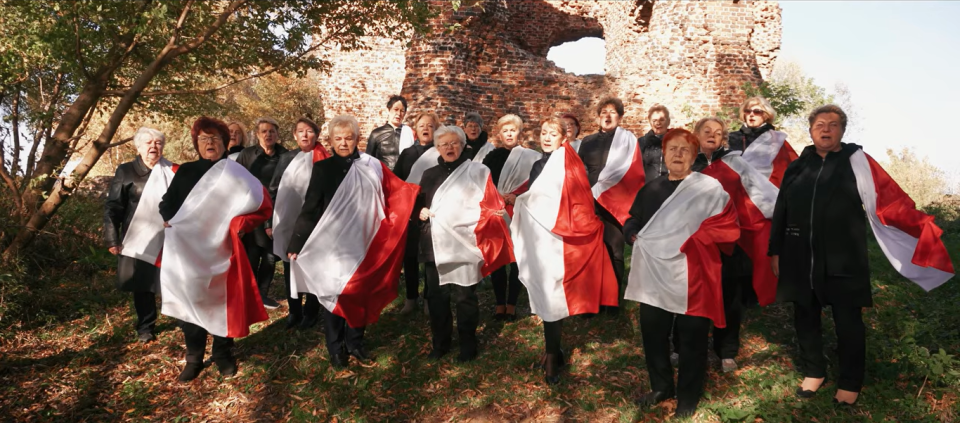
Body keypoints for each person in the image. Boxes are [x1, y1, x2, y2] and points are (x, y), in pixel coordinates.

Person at [769, 105, 954, 406]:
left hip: (845, 257)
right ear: (811, 129)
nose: (825, 129)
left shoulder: (858, 163)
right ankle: (814, 371)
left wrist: (920, 224)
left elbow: (889, 201)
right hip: (800, 255)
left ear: (842, 130)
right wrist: (775, 250)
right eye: (819, 124)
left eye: (832, 124)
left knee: (848, 322)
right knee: (804, 316)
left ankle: (850, 381)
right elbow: (782, 210)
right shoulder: (796, 166)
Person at [623, 128, 739, 417]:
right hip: (654, 272)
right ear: (663, 153)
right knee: (653, 332)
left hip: (693, 272)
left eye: (685, 149)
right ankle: (661, 386)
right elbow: (633, 219)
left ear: (694, 155)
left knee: (692, 337)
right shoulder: (651, 189)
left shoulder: (708, 188)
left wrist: (697, 240)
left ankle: (688, 396)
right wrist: (633, 233)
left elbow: (728, 224)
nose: (678, 154)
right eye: (672, 148)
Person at [287, 115, 419, 369]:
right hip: (332, 243)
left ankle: (355, 342)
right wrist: (296, 242)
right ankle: (336, 348)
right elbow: (311, 207)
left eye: (349, 137)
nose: (344, 142)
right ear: (331, 141)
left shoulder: (373, 166)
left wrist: (419, 202)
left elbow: (399, 191)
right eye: (338, 138)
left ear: (357, 139)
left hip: (364, 241)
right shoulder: (324, 169)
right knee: (334, 292)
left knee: (359, 292)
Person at [159, 117, 272, 382]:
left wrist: (241, 226)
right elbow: (167, 203)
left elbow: (260, 204)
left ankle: (223, 354)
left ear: (224, 143)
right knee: (191, 301)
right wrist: (169, 218)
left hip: (223, 250)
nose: (210, 143)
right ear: (196, 144)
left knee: (223, 302)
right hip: (188, 252)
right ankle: (194, 358)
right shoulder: (186, 172)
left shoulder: (235, 172)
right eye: (204, 139)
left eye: (215, 139)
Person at [511, 118, 618, 384]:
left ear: (563, 138)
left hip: (562, 239)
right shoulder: (538, 165)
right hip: (540, 236)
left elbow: (579, 199)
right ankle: (552, 351)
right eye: (544, 133)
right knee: (547, 293)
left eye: (553, 134)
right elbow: (534, 197)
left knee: (555, 293)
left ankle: (551, 355)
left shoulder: (572, 165)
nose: (547, 137)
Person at [417, 125, 513, 362]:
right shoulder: (429, 175)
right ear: (437, 148)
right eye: (444, 144)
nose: (449, 148)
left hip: (466, 243)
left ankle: (468, 344)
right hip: (435, 246)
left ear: (463, 145)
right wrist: (421, 211)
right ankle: (440, 343)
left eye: (454, 143)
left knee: (465, 297)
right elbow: (418, 205)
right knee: (437, 298)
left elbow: (490, 202)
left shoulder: (478, 171)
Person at [691, 117, 780, 373]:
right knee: (693, 295)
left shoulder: (735, 162)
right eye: (706, 131)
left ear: (723, 139)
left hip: (730, 242)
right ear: (696, 134)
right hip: (695, 241)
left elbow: (761, 191)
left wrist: (784, 215)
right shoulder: (686, 162)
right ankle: (684, 345)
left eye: (718, 133)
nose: (712, 135)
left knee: (730, 298)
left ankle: (726, 350)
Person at [103, 127, 176, 343]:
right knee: (143, 284)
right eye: (149, 143)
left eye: (158, 143)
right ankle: (146, 327)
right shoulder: (125, 171)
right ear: (138, 147)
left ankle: (182, 318)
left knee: (172, 280)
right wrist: (112, 238)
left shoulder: (172, 170)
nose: (154, 146)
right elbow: (113, 207)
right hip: (137, 236)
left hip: (169, 237)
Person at [577, 97, 645, 314]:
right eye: (604, 112)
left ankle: (611, 301)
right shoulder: (587, 142)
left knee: (615, 251)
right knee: (589, 252)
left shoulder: (628, 141)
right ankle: (590, 301)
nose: (607, 115)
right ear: (598, 117)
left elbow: (635, 174)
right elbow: (577, 172)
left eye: (613, 112)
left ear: (620, 117)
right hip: (589, 203)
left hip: (614, 204)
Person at [268, 117, 330, 330]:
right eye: (300, 131)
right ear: (294, 136)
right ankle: (295, 311)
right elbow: (273, 190)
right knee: (289, 267)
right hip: (287, 222)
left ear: (317, 134)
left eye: (309, 131)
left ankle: (311, 312)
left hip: (315, 223)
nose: (305, 135)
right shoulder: (286, 158)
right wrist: (269, 222)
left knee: (311, 266)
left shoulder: (325, 158)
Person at [482, 114, 539, 320]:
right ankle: (499, 303)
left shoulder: (531, 157)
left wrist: (517, 197)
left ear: (519, 133)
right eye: (505, 130)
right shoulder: (491, 157)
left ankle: (512, 302)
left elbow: (536, 185)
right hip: (496, 211)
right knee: (498, 257)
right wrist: (495, 201)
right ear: (499, 133)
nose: (509, 134)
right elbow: (482, 183)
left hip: (519, 210)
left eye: (512, 130)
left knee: (516, 258)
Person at [236, 117, 289, 309]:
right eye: (264, 131)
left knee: (269, 256)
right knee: (251, 254)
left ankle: (262, 294)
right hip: (250, 211)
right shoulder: (247, 155)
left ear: (277, 134)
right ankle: (248, 294)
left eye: (272, 131)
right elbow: (236, 183)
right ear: (257, 134)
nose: (268, 134)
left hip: (274, 211)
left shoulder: (285, 156)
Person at [394, 112, 442, 314]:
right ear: (416, 129)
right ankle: (411, 297)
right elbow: (397, 181)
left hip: (434, 211)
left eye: (430, 126)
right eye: (422, 125)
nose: (425, 129)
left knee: (431, 258)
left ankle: (430, 299)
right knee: (410, 256)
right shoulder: (407, 153)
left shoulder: (440, 152)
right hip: (411, 210)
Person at [727, 97, 798, 187]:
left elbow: (790, 171)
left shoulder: (776, 140)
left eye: (757, 111)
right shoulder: (731, 138)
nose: (751, 114)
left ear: (765, 115)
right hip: (734, 191)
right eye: (748, 111)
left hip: (766, 193)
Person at [366, 95, 413, 170]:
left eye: (402, 111)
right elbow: (368, 160)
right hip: (383, 177)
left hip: (404, 179)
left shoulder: (409, 133)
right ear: (388, 110)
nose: (398, 113)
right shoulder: (376, 134)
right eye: (396, 109)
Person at [636, 104, 671, 183]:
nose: (658, 123)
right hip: (648, 189)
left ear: (668, 121)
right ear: (650, 122)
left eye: (662, 120)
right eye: (654, 120)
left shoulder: (676, 142)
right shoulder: (642, 142)